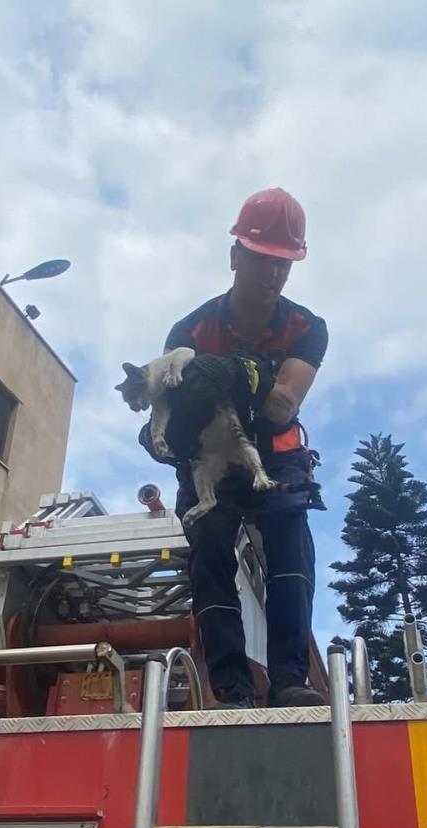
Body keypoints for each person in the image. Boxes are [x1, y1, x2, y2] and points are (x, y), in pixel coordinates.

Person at [164, 188, 328, 709]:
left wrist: (241, 371)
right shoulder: (189, 331)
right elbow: (168, 409)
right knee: (209, 549)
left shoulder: (307, 329)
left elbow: (283, 405)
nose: (272, 273)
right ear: (236, 256)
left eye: (283, 263)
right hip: (212, 458)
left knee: (289, 539)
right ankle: (232, 689)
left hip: (274, 459)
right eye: (261, 259)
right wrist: (162, 436)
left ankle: (289, 680)